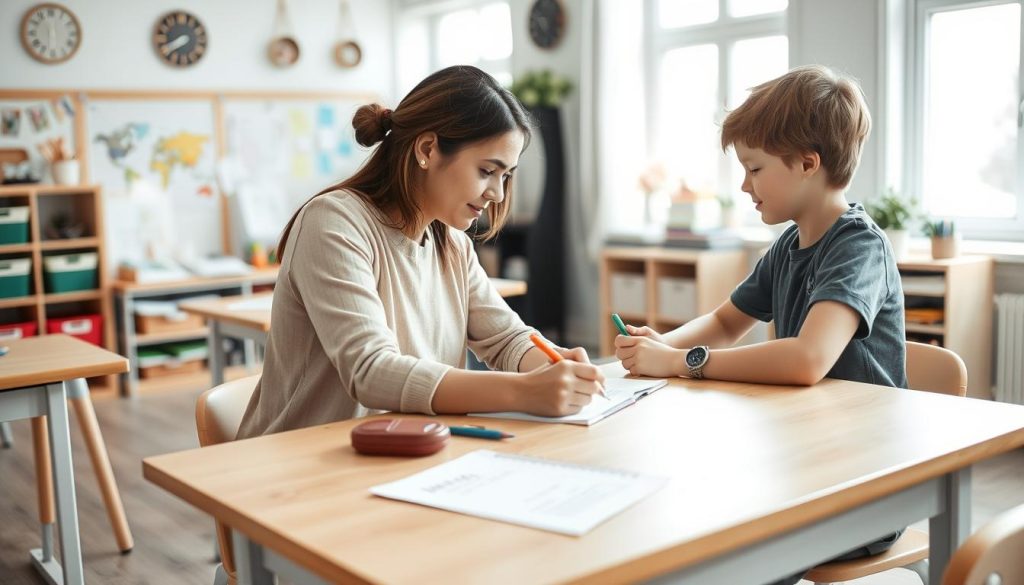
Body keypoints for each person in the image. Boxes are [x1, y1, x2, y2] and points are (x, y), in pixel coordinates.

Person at [614, 65, 907, 585]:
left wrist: (682, 363)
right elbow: (727, 321)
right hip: (807, 462)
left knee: (725, 544)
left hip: (862, 486)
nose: (745, 185)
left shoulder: (859, 247)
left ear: (807, 164)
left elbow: (807, 359)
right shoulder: (789, 246)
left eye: (754, 168)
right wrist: (659, 346)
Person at [237, 65, 603, 440]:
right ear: (427, 149)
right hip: (296, 464)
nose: (496, 193)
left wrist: (554, 369)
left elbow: (506, 339)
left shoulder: (452, 242)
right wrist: (525, 392)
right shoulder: (333, 222)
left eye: (505, 176)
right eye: (487, 170)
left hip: (402, 451)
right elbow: (371, 371)